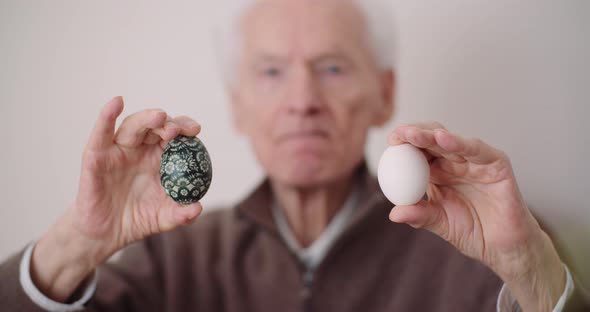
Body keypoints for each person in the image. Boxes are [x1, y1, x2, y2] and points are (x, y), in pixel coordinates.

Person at [0, 0, 588, 311]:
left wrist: (533, 274)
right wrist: (78, 240)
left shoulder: (480, 249)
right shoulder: (172, 260)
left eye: (331, 67)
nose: (303, 101)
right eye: (271, 72)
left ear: (383, 94)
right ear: (237, 106)